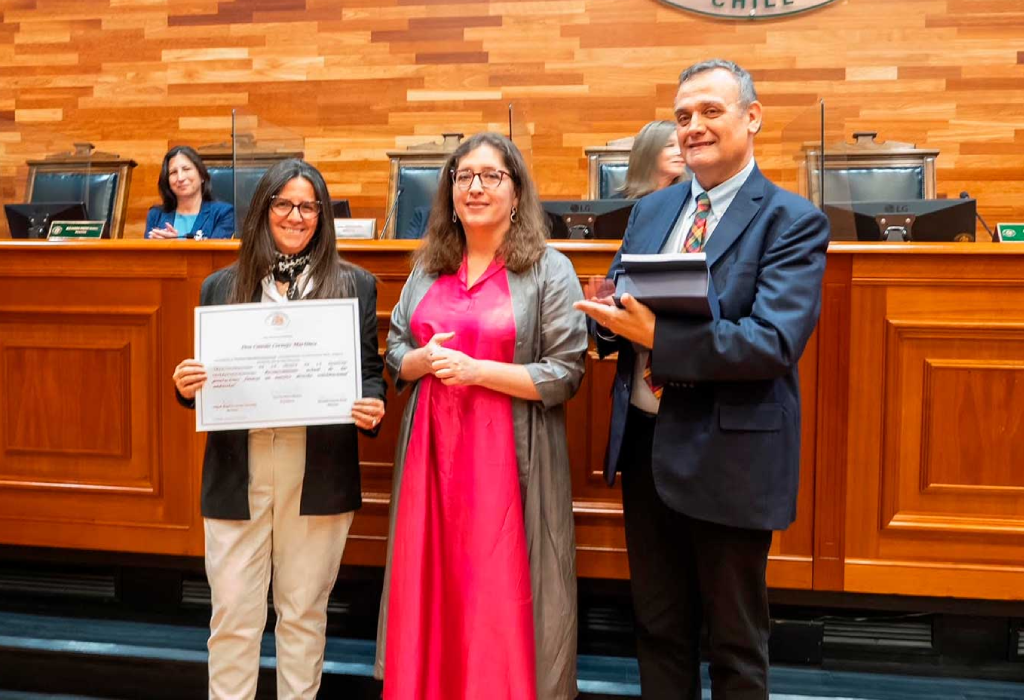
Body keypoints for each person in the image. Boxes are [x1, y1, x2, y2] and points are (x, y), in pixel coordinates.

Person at [574, 59, 830, 699]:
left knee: (735, 645)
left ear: (752, 117)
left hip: (730, 458)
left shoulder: (791, 220)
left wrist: (657, 339)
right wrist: (605, 324)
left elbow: (771, 342)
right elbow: (627, 303)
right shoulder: (653, 209)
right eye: (683, 115)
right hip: (647, 451)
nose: (693, 127)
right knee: (658, 632)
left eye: (711, 112)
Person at [375, 132, 587, 700]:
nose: (475, 186)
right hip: (432, 463)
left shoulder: (549, 270)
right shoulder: (427, 267)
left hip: (508, 465)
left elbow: (566, 373)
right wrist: (419, 360)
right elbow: (396, 348)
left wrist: (477, 372)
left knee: (498, 593)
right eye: (463, 176)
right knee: (435, 588)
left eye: (491, 175)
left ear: (516, 193)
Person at [171, 159, 386, 699]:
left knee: (304, 614)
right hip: (237, 467)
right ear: (263, 210)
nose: (296, 216)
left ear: (323, 214)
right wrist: (186, 383)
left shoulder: (354, 285)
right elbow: (208, 377)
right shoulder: (219, 287)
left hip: (318, 468)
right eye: (283, 204)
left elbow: (369, 371)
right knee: (234, 618)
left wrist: (373, 405)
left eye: (308, 205)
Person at [146, 145, 234, 239]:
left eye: (186, 169)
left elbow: (216, 253)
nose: (180, 178)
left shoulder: (224, 213)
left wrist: (173, 246)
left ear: (202, 175)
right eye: (173, 172)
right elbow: (146, 253)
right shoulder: (156, 215)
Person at [616, 120, 686, 199]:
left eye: (682, 145)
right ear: (648, 152)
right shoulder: (618, 205)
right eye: (669, 145)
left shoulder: (693, 199)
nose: (680, 152)